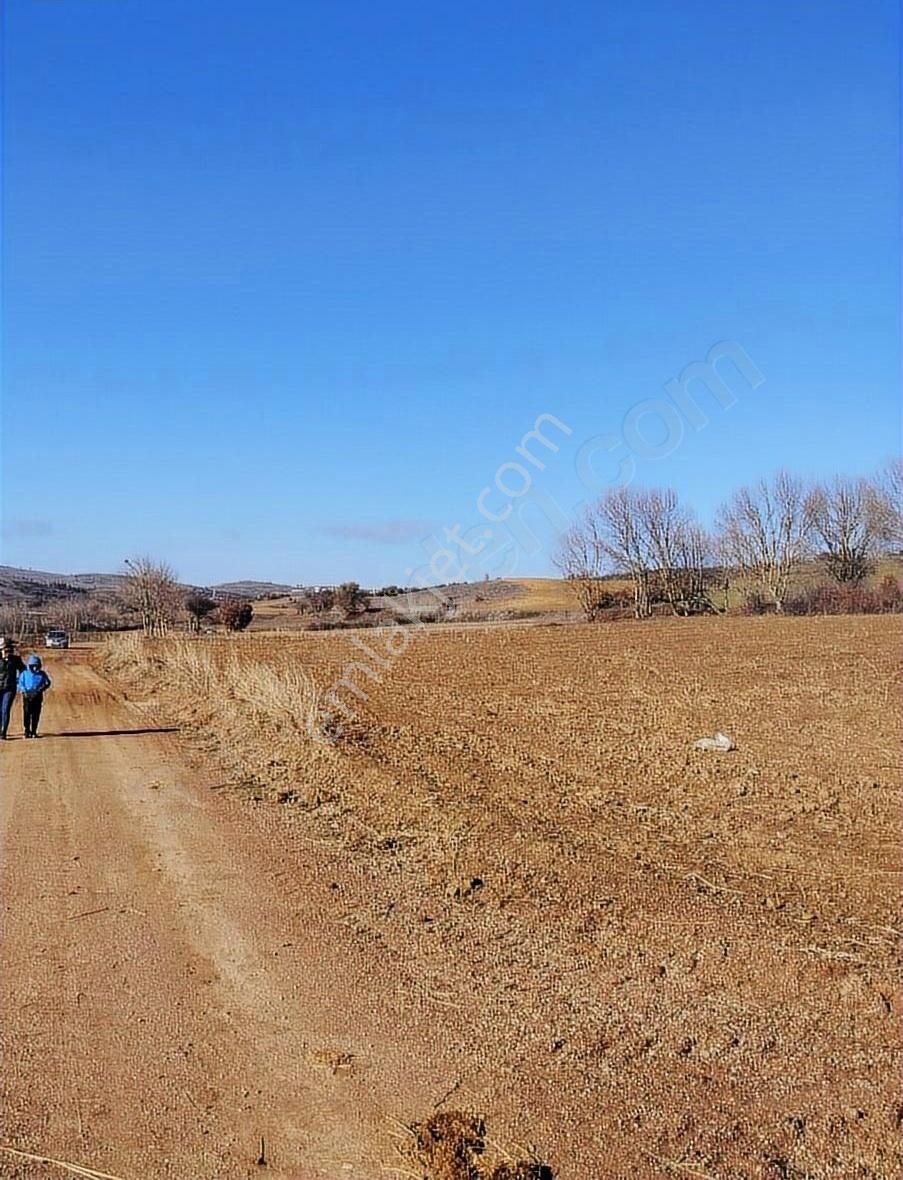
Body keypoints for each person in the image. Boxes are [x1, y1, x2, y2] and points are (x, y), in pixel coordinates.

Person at [18, 655, 52, 739]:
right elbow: (20, 683)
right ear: (29, 666)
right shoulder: (24, 673)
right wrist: (24, 691)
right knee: (27, 713)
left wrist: (41, 689)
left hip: (37, 695)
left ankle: (34, 731)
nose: (34, 667)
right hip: (27, 695)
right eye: (33, 666)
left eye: (36, 665)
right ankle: (27, 731)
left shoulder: (42, 674)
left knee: (36, 714)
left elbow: (47, 682)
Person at [0, 638, 26, 740]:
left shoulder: (15, 659)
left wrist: (21, 681)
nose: (8, 652)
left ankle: (3, 731)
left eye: (9, 650)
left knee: (5, 709)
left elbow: (23, 670)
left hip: (9, 688)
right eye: (5, 650)